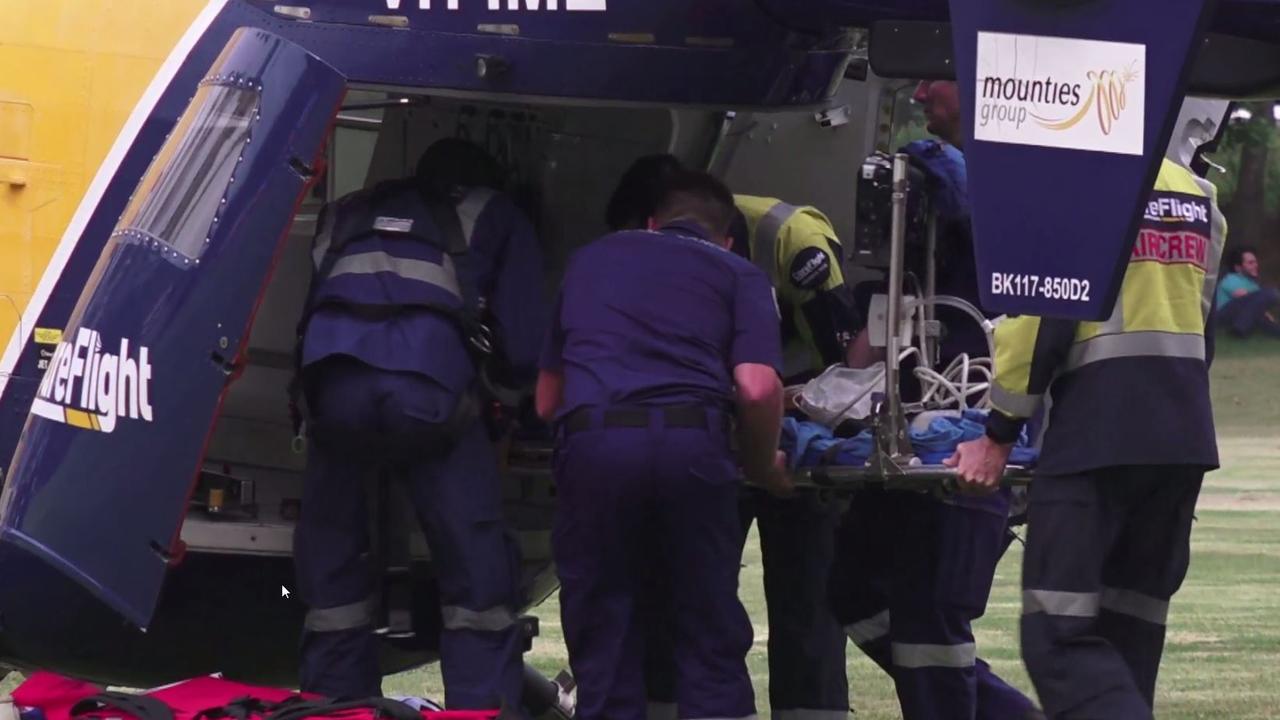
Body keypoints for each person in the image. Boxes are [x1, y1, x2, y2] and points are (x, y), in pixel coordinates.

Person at [948, 98, 1230, 719]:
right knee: (1130, 630)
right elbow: (1200, 327)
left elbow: (1036, 323)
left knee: (1059, 633)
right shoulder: (1199, 197)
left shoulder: (1069, 182)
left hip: (1098, 437)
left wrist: (997, 434)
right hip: (1181, 438)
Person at [291, 137, 548, 710]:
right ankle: (480, 707)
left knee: (334, 584)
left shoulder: (346, 211)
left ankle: (338, 708)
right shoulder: (495, 212)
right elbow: (527, 343)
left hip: (333, 398)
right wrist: (506, 408)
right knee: (476, 585)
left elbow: (309, 313)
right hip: (431, 402)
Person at [537, 170, 789, 720]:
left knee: (603, 625)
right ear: (725, 237)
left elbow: (544, 399)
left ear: (651, 224)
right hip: (690, 447)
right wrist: (763, 463)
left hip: (595, 445)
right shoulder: (739, 273)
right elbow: (757, 386)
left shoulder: (589, 261)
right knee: (706, 622)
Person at [828, 80, 1042, 720]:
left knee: (929, 614)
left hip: (979, 429)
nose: (918, 90)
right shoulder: (922, 239)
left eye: (934, 76)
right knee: (854, 591)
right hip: (918, 426)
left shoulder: (1009, 200)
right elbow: (879, 332)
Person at [1215, 246, 1280, 338]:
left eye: (1255, 262)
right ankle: (1239, 329)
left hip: (1241, 315)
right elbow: (1241, 296)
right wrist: (1262, 306)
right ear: (1238, 268)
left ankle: (1239, 330)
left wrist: (1265, 314)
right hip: (1222, 315)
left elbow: (1255, 305)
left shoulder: (1254, 285)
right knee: (1271, 293)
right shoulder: (1230, 278)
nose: (1255, 265)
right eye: (1250, 263)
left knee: (1263, 319)